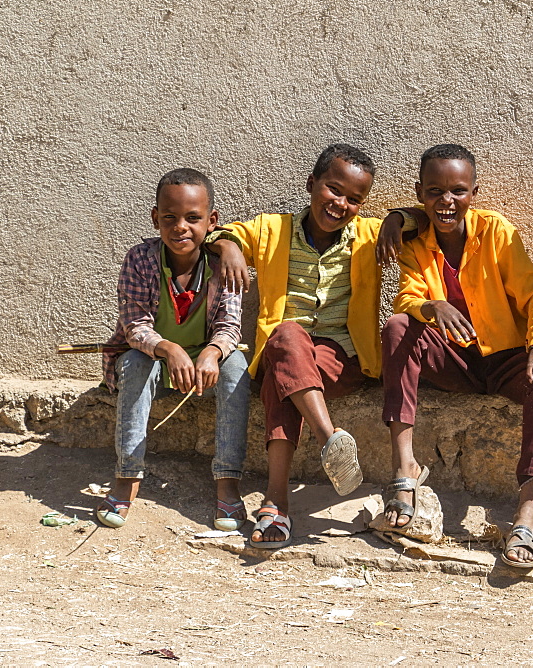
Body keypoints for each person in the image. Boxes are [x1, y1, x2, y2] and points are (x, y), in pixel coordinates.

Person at [209, 144, 416, 549]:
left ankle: (277, 501)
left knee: (283, 377)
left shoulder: (369, 236)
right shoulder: (273, 230)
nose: (341, 204)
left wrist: (396, 217)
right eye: (333, 190)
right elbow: (219, 232)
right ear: (311, 184)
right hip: (286, 349)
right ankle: (328, 438)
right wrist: (229, 245)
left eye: (355, 199)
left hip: (342, 359)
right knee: (286, 337)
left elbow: (423, 218)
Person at [380, 143, 533, 568]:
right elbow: (407, 296)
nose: (446, 202)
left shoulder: (496, 231)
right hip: (455, 361)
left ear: (473, 193)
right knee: (396, 329)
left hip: (506, 358)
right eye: (434, 191)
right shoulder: (414, 243)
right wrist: (432, 306)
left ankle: (525, 516)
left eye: (458, 191)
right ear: (419, 193)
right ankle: (404, 470)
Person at [97, 168, 250, 530]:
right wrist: (168, 349)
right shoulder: (140, 260)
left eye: (193, 218)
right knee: (135, 363)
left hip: (204, 367)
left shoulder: (221, 265)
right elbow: (135, 328)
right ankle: (126, 478)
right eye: (169, 218)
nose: (180, 227)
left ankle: (227, 484)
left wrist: (211, 353)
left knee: (237, 364)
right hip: (155, 360)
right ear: (155, 219)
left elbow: (229, 327)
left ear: (212, 221)